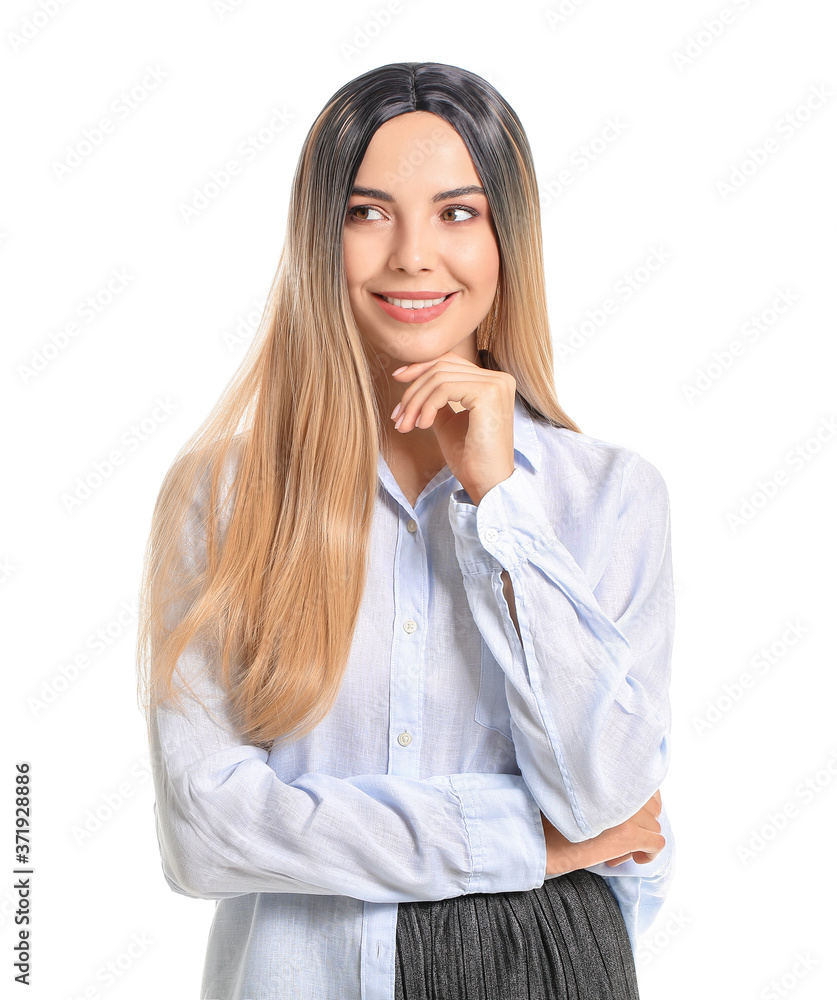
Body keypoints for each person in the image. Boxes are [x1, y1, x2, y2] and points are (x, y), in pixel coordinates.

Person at [136, 61, 675, 1000]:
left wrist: (497, 506)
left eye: (457, 213)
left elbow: (612, 799)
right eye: (366, 212)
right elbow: (205, 831)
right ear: (318, 239)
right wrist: (522, 844)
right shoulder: (219, 497)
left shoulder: (609, 498)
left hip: (549, 971)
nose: (411, 256)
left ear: (509, 238)